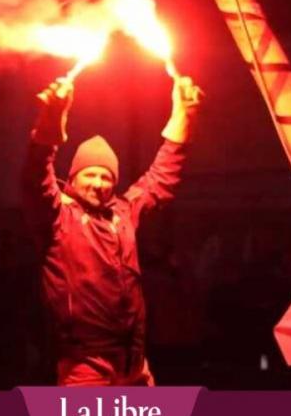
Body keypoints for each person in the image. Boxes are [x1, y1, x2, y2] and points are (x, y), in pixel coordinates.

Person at [22, 72, 203, 386]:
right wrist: (53, 118)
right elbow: (35, 173)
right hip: (85, 365)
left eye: (106, 177)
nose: (99, 183)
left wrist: (183, 117)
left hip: (134, 362)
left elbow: (161, 178)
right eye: (90, 174)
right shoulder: (57, 215)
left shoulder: (124, 211)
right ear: (74, 178)